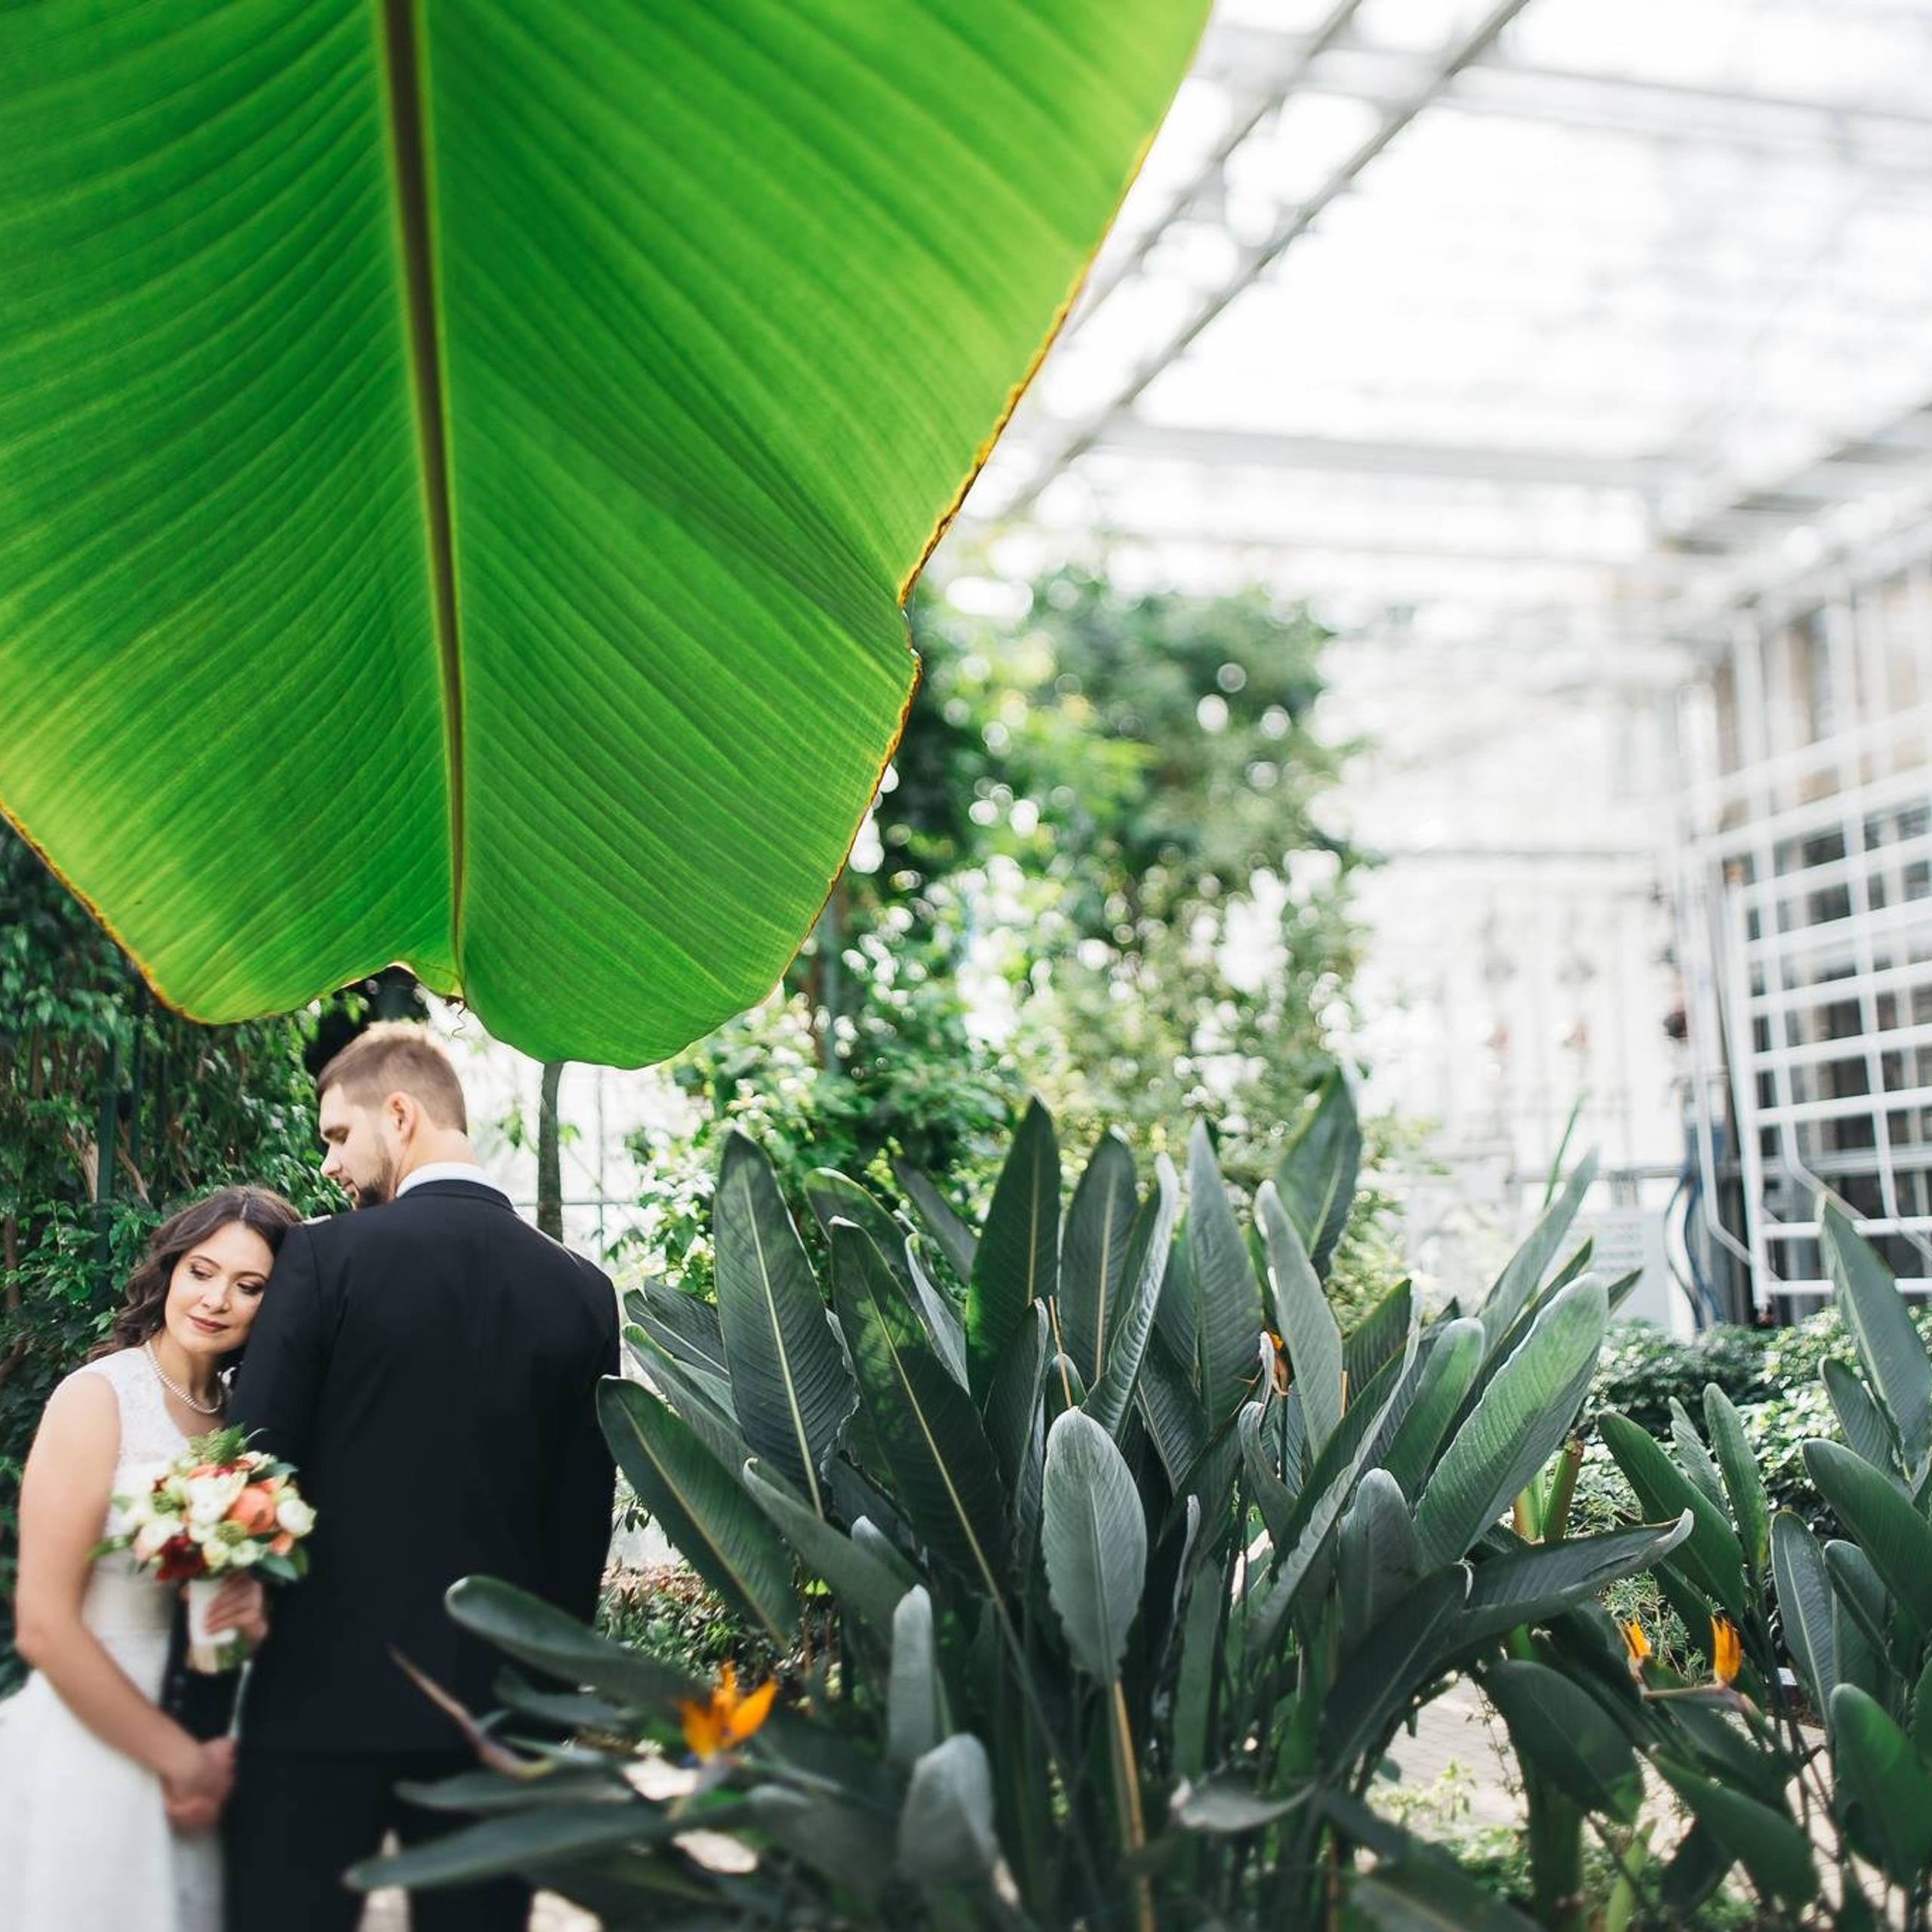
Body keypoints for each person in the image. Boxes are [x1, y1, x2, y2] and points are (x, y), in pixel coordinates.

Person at [223, 1024, 619, 1932]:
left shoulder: (324, 1259)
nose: (329, 1165)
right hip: (495, 1717)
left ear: (399, 1116)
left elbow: (254, 1470)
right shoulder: (582, 1291)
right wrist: (539, 1706)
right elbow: (578, 1527)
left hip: (318, 1707)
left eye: (335, 1136)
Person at [0, 1186, 295, 1931]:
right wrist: (178, 1759)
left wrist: (253, 1612)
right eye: (201, 1270)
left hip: (218, 1729)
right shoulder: (98, 1398)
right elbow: (41, 1623)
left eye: (249, 1285)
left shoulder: (247, 1418)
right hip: (97, 1734)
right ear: (169, 1269)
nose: (217, 1299)